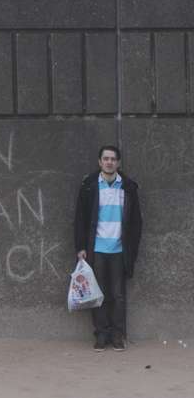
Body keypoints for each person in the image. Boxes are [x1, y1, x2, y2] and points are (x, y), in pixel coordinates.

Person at [74, 145, 142, 352]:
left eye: (113, 159)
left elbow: (136, 222)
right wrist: (81, 247)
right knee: (98, 294)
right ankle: (101, 335)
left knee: (118, 295)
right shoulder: (89, 186)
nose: (109, 162)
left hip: (119, 250)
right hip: (96, 250)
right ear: (100, 162)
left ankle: (117, 335)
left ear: (118, 163)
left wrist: (132, 249)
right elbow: (80, 219)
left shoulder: (128, 187)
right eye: (106, 158)